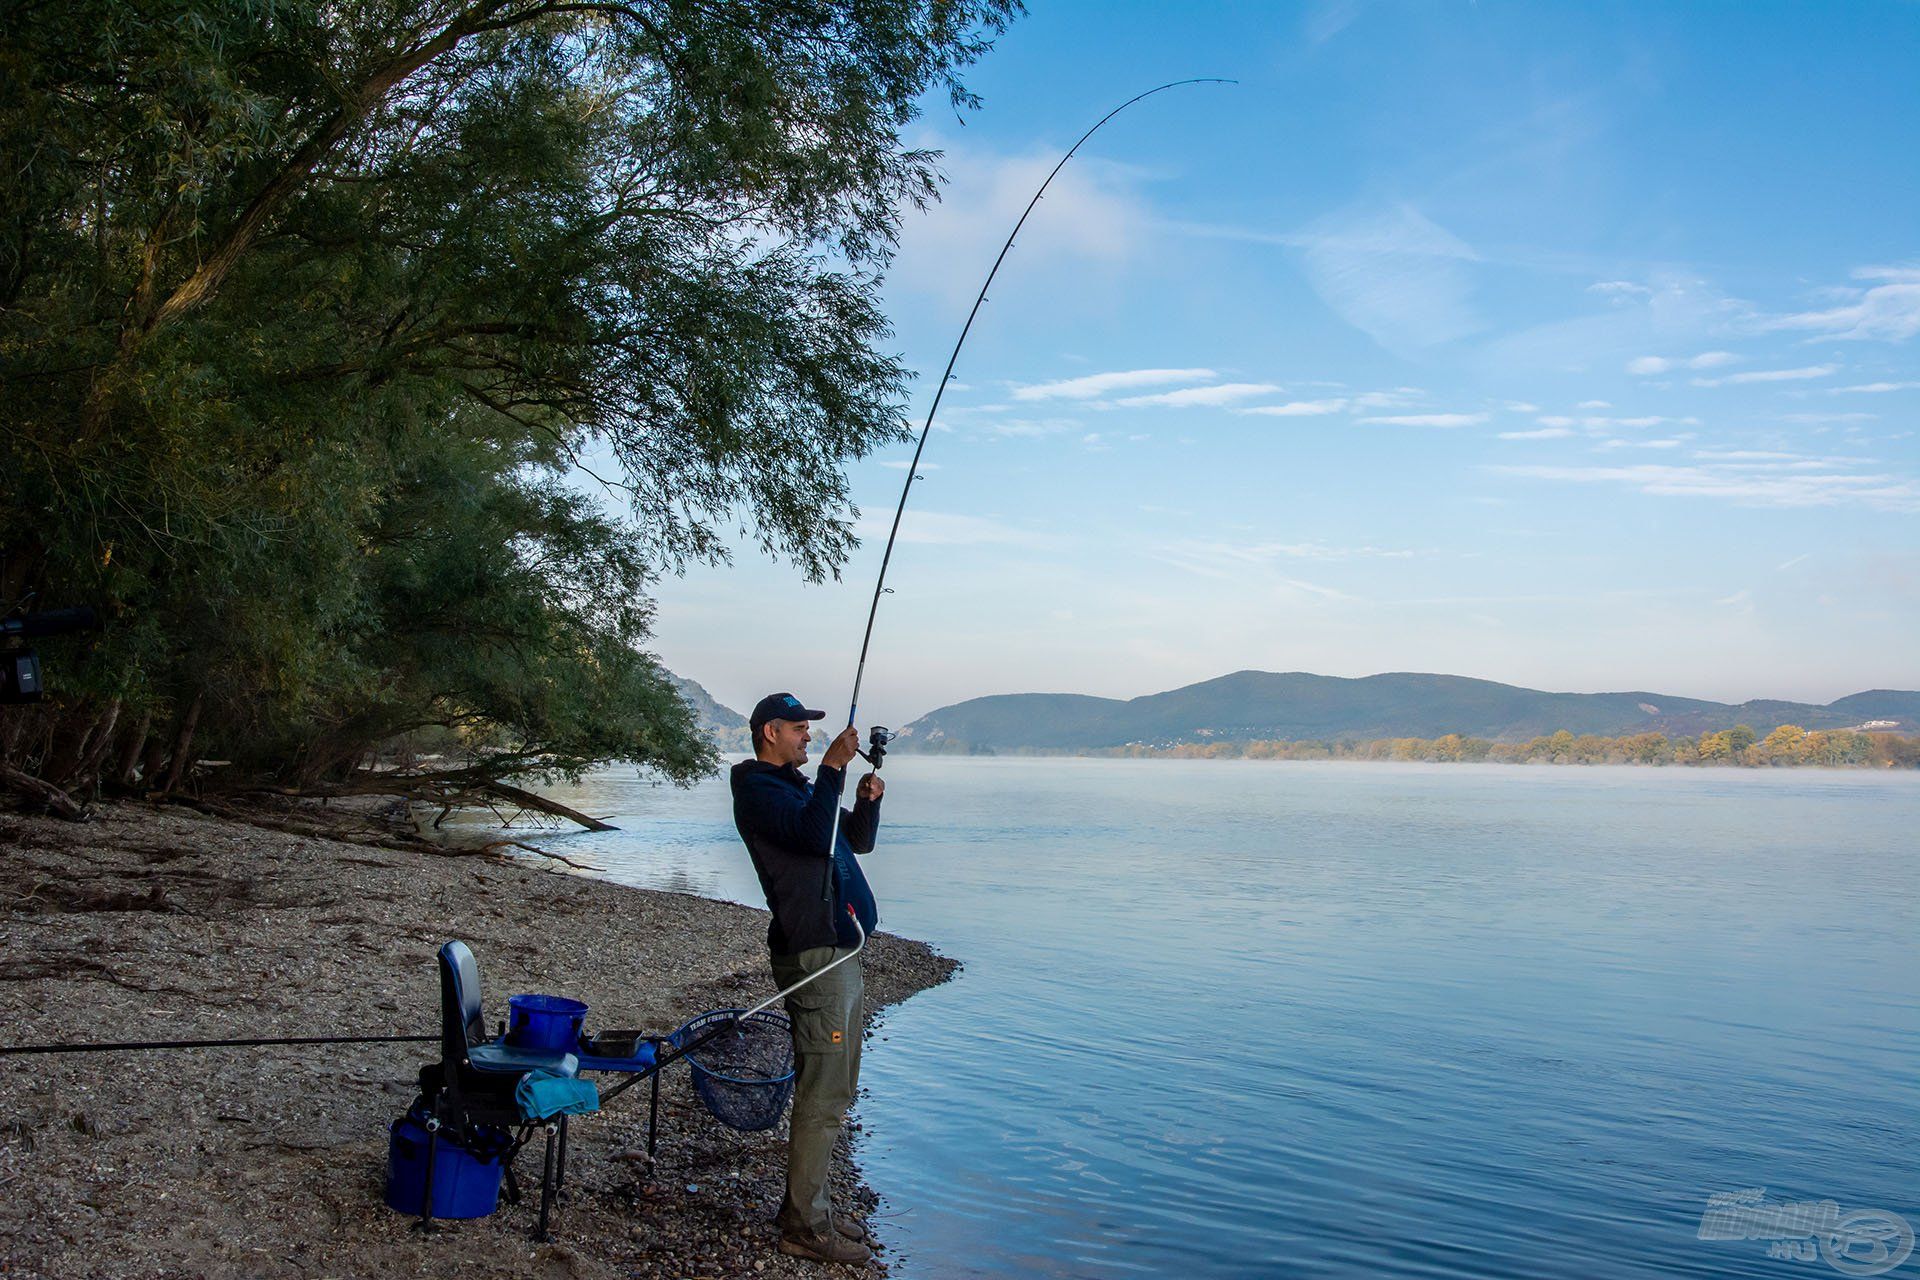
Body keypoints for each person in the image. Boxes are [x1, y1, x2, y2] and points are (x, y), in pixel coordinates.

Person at [730, 692, 885, 1265]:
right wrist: (832, 770)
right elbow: (812, 836)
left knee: (837, 1085)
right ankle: (803, 1225)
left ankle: (809, 1206)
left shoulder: (796, 788)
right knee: (822, 1091)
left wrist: (864, 801)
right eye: (800, 729)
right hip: (815, 957)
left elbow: (852, 840)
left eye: (810, 732)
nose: (808, 738)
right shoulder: (758, 791)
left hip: (839, 953)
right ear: (770, 731)